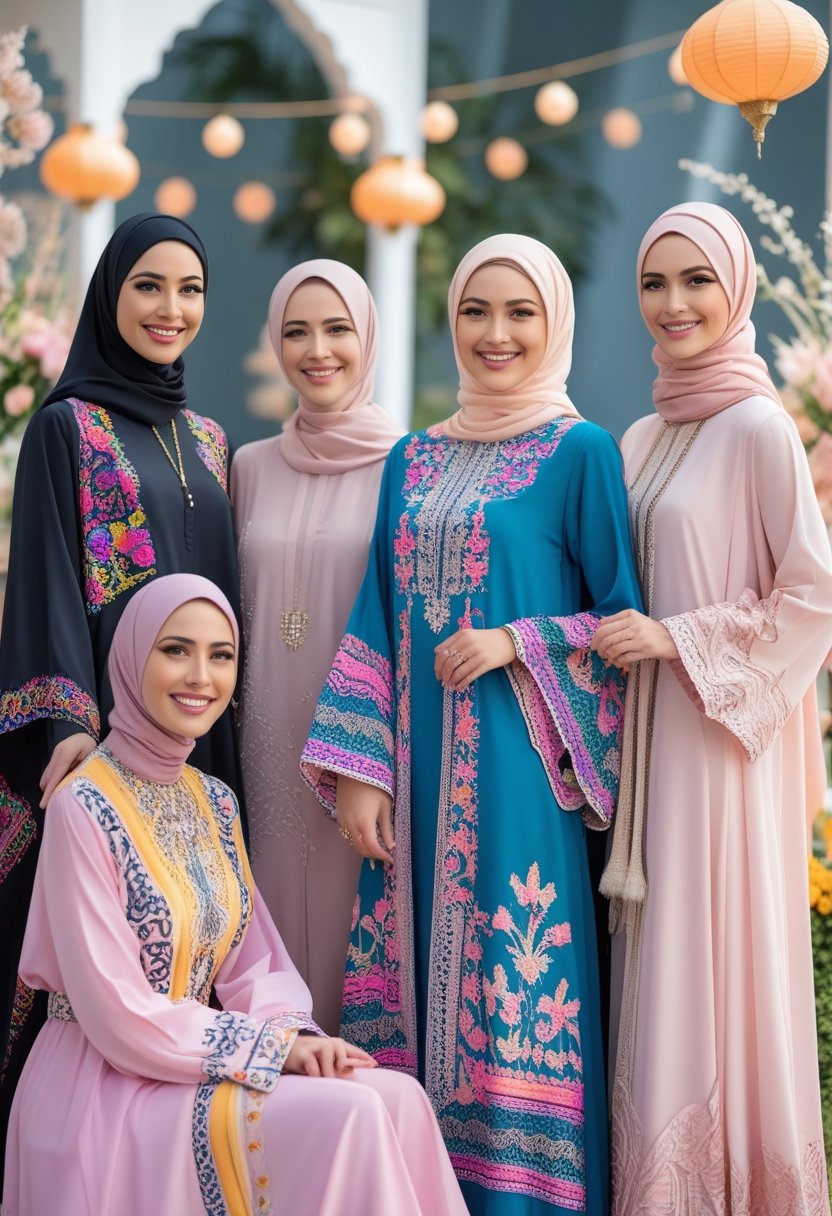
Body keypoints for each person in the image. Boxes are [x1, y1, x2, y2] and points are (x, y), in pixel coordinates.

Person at [301, 234, 643, 1215]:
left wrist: (514, 642)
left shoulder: (583, 453)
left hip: (521, 788)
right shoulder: (411, 456)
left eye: (519, 312)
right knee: (403, 1000)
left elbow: (619, 622)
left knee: (512, 984)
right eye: (474, 311)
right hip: (408, 791)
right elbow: (374, 605)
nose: (495, 333)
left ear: (553, 324)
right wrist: (359, 767)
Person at [1, 573, 468, 1216]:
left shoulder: (214, 802)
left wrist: (295, 1037)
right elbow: (115, 1011)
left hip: (191, 1062)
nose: (200, 676)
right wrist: (270, 1052)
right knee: (355, 1114)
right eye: (175, 650)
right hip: (103, 1083)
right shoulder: (82, 804)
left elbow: (256, 966)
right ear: (132, 659)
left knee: (399, 1098)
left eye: (220, 656)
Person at [593, 202, 832, 1213]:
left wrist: (678, 637)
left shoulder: (759, 425)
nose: (675, 302)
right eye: (656, 282)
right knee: (652, 965)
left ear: (733, 289)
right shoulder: (641, 431)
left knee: (708, 953)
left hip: (720, 750)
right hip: (644, 749)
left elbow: (811, 593)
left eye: (697, 280)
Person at [0, 214, 241, 1167]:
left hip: (199, 738)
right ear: (111, 295)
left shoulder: (213, 440)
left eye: (189, 290)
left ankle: (187, 1167)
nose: (171, 309)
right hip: (102, 752)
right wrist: (63, 727)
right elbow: (47, 580)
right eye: (149, 286)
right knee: (100, 966)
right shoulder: (66, 427)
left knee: (195, 942)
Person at [232, 260, 401, 1033]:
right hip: (261, 743)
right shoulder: (248, 467)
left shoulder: (408, 463)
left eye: (337, 329)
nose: (317, 349)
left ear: (366, 336)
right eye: (296, 331)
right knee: (260, 931)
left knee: (353, 939)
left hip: (358, 756)